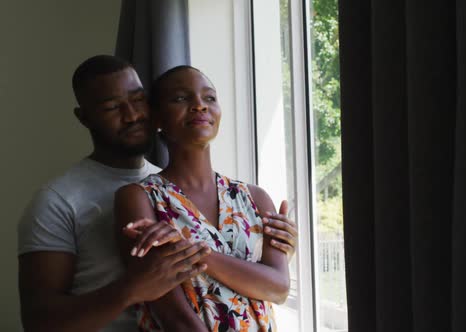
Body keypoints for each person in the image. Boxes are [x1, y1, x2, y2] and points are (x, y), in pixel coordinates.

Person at [17, 55, 297, 332]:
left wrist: (273, 248)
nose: (133, 115)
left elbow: (271, 287)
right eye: (113, 107)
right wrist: (130, 290)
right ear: (84, 117)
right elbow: (38, 321)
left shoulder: (238, 194)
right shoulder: (62, 200)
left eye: (138, 101)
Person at [114, 65, 291, 331]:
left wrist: (189, 249)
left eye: (209, 98)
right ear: (157, 117)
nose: (199, 106)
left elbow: (278, 288)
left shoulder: (254, 198)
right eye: (181, 98)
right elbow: (174, 317)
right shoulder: (139, 199)